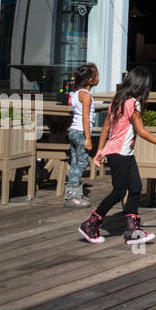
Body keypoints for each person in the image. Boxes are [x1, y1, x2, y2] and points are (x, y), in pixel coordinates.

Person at [79, 66, 156, 246]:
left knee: (136, 187)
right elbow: (142, 131)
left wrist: (101, 150)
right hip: (120, 154)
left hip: (122, 153)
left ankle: (132, 230)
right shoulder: (133, 103)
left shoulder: (117, 100)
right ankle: (91, 223)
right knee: (118, 192)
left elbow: (106, 127)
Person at [64, 63, 99, 207]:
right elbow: (85, 117)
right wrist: (88, 138)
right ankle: (72, 193)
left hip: (73, 130)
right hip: (81, 132)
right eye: (96, 76)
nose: (98, 78)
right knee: (83, 162)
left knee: (75, 162)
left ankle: (75, 192)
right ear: (91, 80)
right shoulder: (86, 96)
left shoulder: (75, 93)